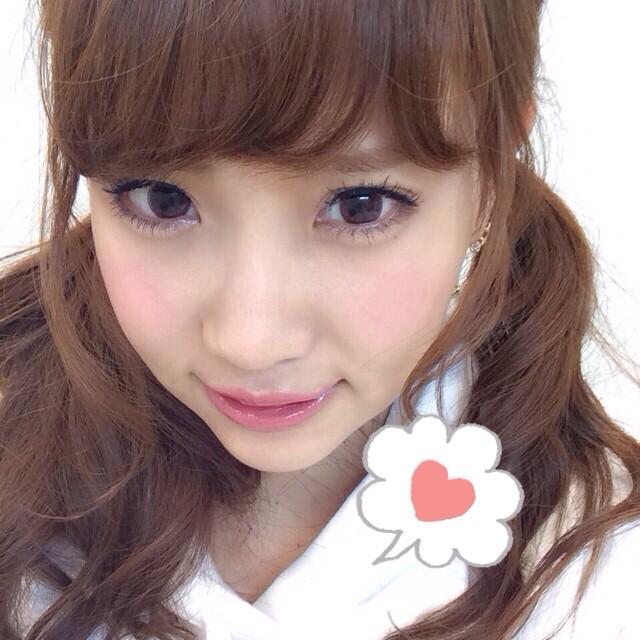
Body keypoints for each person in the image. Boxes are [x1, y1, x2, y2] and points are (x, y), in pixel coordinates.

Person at [1, 1, 639, 639]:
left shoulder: (602, 578)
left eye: (360, 206)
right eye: (163, 200)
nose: (251, 342)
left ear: (491, 180)